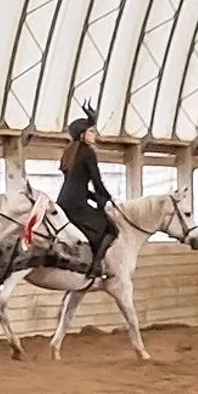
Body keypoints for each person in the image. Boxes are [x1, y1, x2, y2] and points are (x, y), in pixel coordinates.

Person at [58, 101, 116, 278]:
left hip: (63, 202)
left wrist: (94, 197)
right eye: (91, 131)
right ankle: (95, 268)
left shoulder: (69, 153)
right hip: (77, 205)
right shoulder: (88, 152)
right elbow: (96, 181)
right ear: (82, 135)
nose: (94, 134)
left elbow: (77, 184)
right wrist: (107, 199)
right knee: (110, 228)